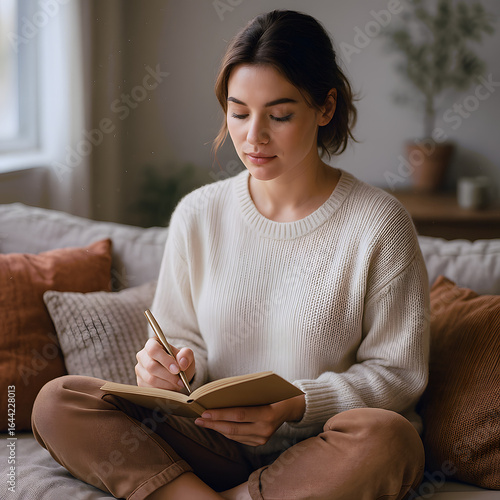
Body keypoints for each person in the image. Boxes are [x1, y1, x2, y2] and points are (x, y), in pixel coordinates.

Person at [32, 9, 429, 500]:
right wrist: (170, 369)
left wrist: (296, 403)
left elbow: (398, 374)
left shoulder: (379, 225)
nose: (253, 136)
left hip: (323, 448)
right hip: (213, 443)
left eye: (279, 115)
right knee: (58, 400)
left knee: (392, 441)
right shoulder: (199, 213)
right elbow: (182, 336)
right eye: (239, 112)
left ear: (325, 109)